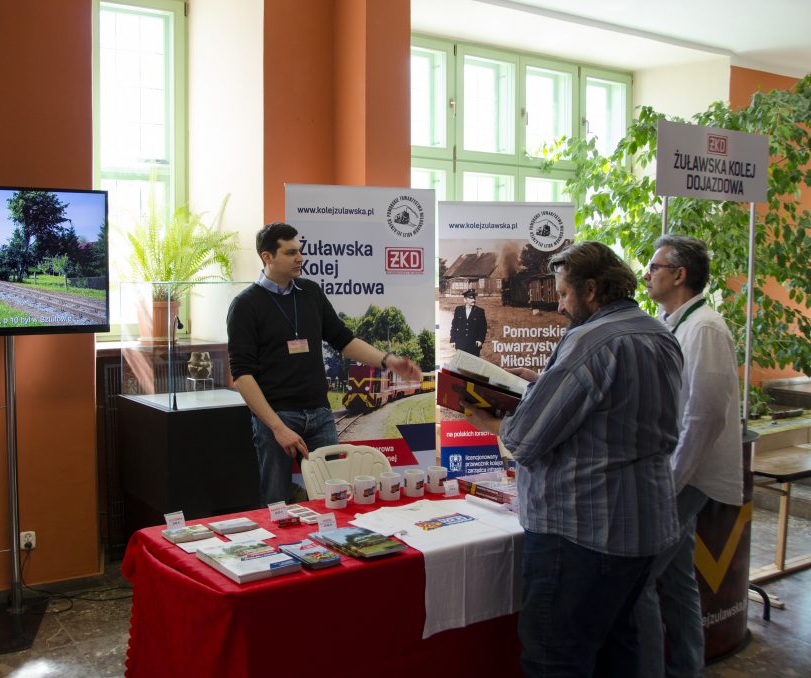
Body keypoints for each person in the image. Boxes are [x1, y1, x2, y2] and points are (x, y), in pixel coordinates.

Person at [462, 241, 683, 678]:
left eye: (563, 294)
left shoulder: (588, 342)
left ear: (592, 289)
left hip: (581, 533)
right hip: (645, 525)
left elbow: (525, 440)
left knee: (555, 658)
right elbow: (617, 415)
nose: (560, 306)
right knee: (619, 650)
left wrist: (488, 422)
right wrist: (544, 383)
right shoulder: (659, 334)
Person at [227, 223, 422, 505]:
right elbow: (242, 376)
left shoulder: (311, 293)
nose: (300, 258)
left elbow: (343, 339)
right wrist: (277, 428)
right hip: (277, 418)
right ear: (267, 257)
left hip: (320, 414)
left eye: (300, 251)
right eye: (291, 252)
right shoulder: (245, 305)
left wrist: (388, 361)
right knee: (276, 502)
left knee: (334, 497)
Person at [633, 235, 743, 677]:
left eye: (655, 267)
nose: (646, 273)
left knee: (637, 583)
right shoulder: (673, 322)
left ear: (679, 275)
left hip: (685, 477)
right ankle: (685, 669)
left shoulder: (706, 329)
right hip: (675, 472)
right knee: (677, 583)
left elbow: (704, 416)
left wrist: (670, 483)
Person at [450, 289, 488, 356]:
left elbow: (483, 328)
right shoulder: (458, 310)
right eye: (470, 298)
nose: (473, 300)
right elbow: (454, 326)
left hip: (474, 344)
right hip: (460, 343)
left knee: (473, 365)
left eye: (474, 298)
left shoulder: (479, 311)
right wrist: (452, 339)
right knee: (461, 364)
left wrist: (480, 339)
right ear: (465, 300)